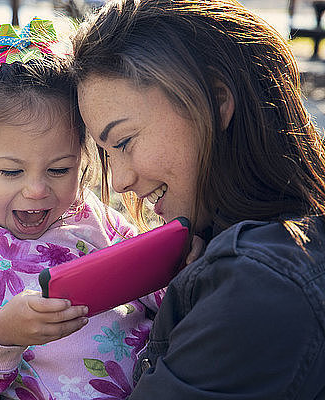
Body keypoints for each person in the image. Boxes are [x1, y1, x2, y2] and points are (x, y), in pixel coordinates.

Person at [71, 0, 325, 398]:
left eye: (123, 142)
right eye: (106, 153)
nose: (118, 181)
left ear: (217, 101)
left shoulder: (258, 287)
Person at [0, 18, 169, 399]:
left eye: (59, 169)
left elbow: (158, 288)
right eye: (11, 171)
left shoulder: (97, 222)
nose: (36, 189)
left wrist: (178, 264)